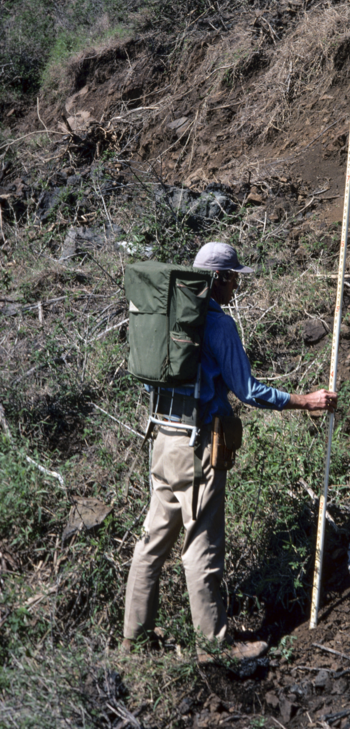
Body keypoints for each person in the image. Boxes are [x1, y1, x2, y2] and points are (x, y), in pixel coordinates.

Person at [122, 242, 337, 661]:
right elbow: (249, 391)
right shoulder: (219, 326)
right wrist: (304, 401)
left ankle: (133, 640)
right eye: (234, 277)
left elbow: (151, 381)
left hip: (162, 441)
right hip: (197, 447)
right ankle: (216, 646)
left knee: (153, 540)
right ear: (217, 279)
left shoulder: (167, 318)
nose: (237, 285)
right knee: (201, 546)